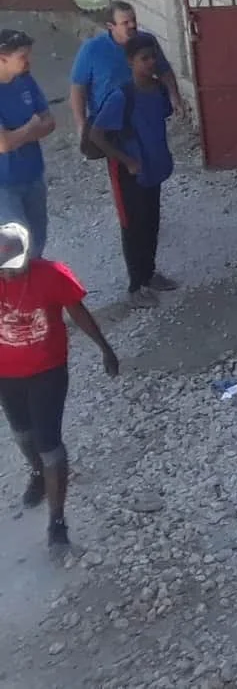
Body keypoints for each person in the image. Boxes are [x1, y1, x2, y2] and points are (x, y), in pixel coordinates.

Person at [0, 220, 119, 550]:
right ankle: (37, 474)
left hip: (47, 371)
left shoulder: (52, 275)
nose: (8, 275)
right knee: (22, 435)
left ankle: (57, 521)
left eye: (13, 267)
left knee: (49, 443)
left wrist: (105, 348)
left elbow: (78, 312)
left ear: (28, 255)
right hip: (6, 375)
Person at [87, 35, 178, 307]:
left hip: (151, 168)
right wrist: (126, 160)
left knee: (151, 222)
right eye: (143, 59)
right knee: (133, 227)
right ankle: (135, 286)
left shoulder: (157, 90)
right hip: (129, 172)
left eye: (152, 57)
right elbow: (97, 135)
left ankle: (149, 275)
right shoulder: (121, 96)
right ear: (130, 62)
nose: (150, 63)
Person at [68, 0, 182, 144]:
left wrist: (174, 96)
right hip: (111, 122)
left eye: (133, 20)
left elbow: (164, 71)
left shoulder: (146, 41)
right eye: (125, 23)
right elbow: (78, 88)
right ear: (111, 26)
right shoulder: (92, 49)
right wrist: (82, 124)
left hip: (145, 115)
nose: (133, 25)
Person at [0, 32, 55, 256]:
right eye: (22, 56)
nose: (29, 61)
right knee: (15, 250)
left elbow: (49, 122)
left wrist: (20, 134)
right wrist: (32, 126)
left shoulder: (26, 80)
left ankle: (34, 290)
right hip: (4, 186)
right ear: (2, 58)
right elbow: (3, 144)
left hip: (33, 176)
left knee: (37, 242)